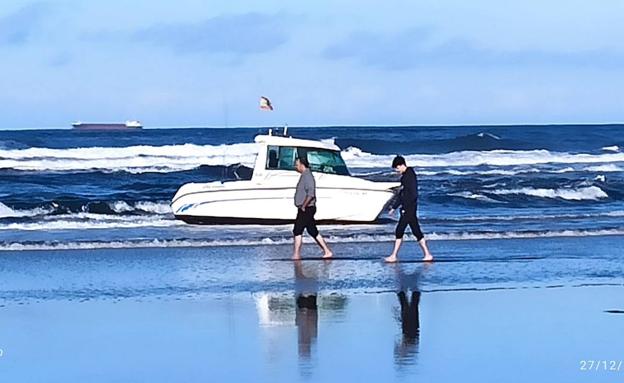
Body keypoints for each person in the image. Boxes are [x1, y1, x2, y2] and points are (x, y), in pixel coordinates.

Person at [385, 155, 433, 263]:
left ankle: (393, 255)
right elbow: (402, 194)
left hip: (409, 208)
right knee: (416, 231)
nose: (397, 171)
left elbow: (412, 194)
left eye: (397, 168)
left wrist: (406, 208)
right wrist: (394, 207)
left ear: (402, 165)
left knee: (399, 230)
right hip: (409, 208)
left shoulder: (409, 177)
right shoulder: (406, 176)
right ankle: (427, 254)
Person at [292, 157, 333, 259]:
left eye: (297, 165)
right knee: (312, 230)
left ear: (302, 165)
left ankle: (296, 254)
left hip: (307, 208)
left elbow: (311, 194)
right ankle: (327, 251)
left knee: (297, 230)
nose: (295, 167)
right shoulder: (304, 176)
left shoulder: (308, 176)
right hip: (305, 207)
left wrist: (304, 206)